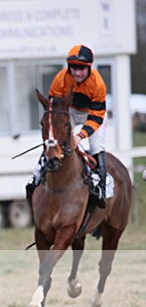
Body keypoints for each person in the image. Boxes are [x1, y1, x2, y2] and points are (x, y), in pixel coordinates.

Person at [26, 44, 108, 208]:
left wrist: (80, 135)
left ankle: (101, 188)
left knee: (96, 145)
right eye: (74, 68)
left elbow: (96, 116)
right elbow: (53, 111)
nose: (77, 72)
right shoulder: (60, 79)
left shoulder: (97, 84)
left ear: (89, 68)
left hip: (93, 114)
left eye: (82, 69)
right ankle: (37, 174)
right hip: (68, 111)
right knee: (54, 139)